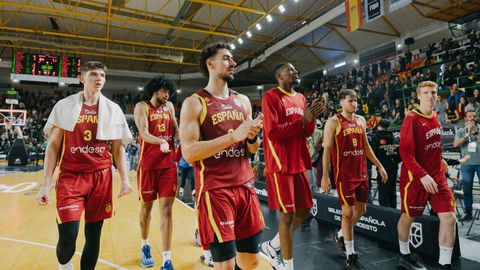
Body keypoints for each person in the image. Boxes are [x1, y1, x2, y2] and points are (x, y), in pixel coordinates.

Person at [36, 61, 133, 270]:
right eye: (93, 75)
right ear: (82, 78)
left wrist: (125, 180)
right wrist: (45, 185)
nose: (99, 79)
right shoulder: (64, 106)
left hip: (101, 177)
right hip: (71, 177)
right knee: (68, 235)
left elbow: (118, 148)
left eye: (102, 76)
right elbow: (53, 147)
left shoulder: (113, 109)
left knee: (93, 235)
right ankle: (65, 266)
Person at [179, 42, 264, 270]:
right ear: (210, 63)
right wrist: (232, 136)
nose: (233, 63)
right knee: (225, 265)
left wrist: (252, 136)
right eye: (226, 58)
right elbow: (188, 153)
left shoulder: (243, 101)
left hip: (245, 186)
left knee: (251, 261)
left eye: (232, 59)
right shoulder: (194, 103)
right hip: (216, 191)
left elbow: (252, 150)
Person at [259, 62, 325, 270]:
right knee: (286, 216)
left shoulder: (301, 98)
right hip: (281, 163)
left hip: (298, 161)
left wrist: (311, 118)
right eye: (290, 69)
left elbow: (305, 132)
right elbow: (273, 132)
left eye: (296, 69)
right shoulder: (270, 97)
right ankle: (287, 266)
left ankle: (272, 246)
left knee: (305, 211)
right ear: (279, 75)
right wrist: (302, 120)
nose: (295, 71)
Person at [321, 89, 387, 270]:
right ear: (341, 102)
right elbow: (326, 150)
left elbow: (365, 146)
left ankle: (341, 234)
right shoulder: (333, 122)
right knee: (347, 213)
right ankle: (351, 254)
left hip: (362, 172)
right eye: (351, 101)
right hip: (344, 175)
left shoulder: (361, 120)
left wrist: (379, 165)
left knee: (362, 210)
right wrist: (325, 176)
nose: (354, 103)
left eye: (356, 100)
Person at [396, 81, 457, 270]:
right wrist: (422, 175)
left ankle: (444, 264)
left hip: (437, 176)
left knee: (450, 218)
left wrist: (441, 159)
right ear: (418, 95)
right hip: (415, 179)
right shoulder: (411, 119)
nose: (431, 96)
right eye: (426, 92)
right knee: (409, 216)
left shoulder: (436, 116)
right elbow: (405, 153)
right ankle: (404, 253)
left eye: (433, 92)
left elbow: (434, 144)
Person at [134, 74, 179, 269]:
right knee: (147, 208)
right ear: (155, 90)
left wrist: (189, 140)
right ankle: (145, 245)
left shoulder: (169, 107)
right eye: (163, 90)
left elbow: (176, 131)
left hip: (168, 164)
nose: (167, 94)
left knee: (167, 211)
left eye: (169, 91)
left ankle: (167, 259)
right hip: (148, 165)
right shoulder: (142, 106)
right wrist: (160, 141)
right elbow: (143, 132)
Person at [453, 107, 480, 221]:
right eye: (470, 116)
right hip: (467, 164)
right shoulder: (460, 131)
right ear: (465, 118)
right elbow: (455, 144)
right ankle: (468, 213)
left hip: (479, 163)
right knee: (467, 190)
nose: (472, 118)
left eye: (474, 116)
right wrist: (467, 134)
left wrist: (475, 132)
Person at [368, 119, 401, 208]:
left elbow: (372, 155)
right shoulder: (394, 138)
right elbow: (399, 156)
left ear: (379, 126)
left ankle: (387, 219)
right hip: (394, 169)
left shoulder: (375, 138)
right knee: (392, 194)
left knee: (383, 197)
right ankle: (394, 216)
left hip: (382, 170)